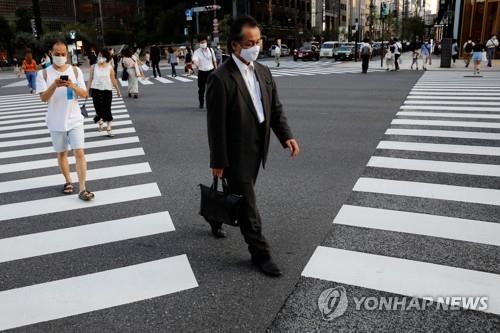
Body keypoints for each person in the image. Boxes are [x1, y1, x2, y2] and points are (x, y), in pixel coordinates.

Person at [206, 16, 300, 277]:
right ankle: (260, 253)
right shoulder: (220, 78)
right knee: (248, 205)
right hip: (235, 152)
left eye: (258, 41)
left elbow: (274, 108)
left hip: (259, 146)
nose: (256, 46)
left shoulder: (263, 71)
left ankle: (214, 215)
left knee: (236, 195)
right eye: (250, 42)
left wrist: (286, 136)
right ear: (234, 45)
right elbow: (215, 126)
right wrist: (218, 161)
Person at [36, 40, 93, 201]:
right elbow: (43, 98)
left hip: (75, 118)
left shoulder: (75, 71)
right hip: (55, 120)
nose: (60, 57)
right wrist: (54, 85)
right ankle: (68, 181)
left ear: (67, 55)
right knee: (62, 154)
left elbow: (84, 94)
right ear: (50, 54)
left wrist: (72, 86)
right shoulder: (43, 74)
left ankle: (83, 188)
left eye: (63, 54)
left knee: (79, 152)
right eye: (57, 54)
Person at [87, 49, 121, 137]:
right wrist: (87, 91)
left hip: (107, 90)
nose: (100, 58)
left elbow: (113, 80)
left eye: (102, 56)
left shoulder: (110, 67)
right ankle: (100, 120)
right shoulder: (93, 67)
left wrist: (117, 90)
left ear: (107, 57)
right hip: (95, 90)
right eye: (99, 56)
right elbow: (90, 79)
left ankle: (109, 127)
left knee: (107, 108)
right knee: (97, 108)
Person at [193, 37, 217, 109]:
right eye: (201, 42)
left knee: (211, 89)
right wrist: (196, 64)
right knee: (201, 89)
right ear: (199, 43)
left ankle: (211, 103)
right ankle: (201, 103)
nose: (203, 44)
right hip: (202, 72)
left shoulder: (211, 50)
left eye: (204, 42)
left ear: (206, 42)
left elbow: (214, 60)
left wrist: (216, 70)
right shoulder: (197, 52)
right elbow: (195, 60)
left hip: (211, 71)